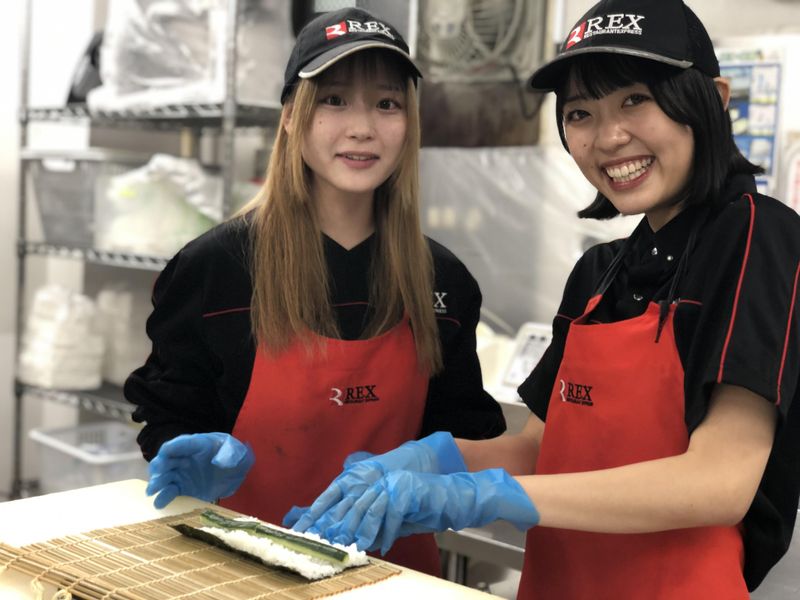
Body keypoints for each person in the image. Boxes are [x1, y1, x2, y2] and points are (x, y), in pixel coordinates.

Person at [289, 0, 800, 596]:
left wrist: (480, 494)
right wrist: (434, 460)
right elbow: (536, 447)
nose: (609, 137)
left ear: (711, 98)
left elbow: (720, 481)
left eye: (636, 99)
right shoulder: (599, 275)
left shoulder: (757, 237)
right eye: (581, 113)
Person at [123, 7, 506, 577]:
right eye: (333, 100)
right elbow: (168, 414)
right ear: (289, 117)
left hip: (390, 577)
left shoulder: (441, 280)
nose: (362, 128)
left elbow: (466, 436)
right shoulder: (216, 269)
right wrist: (187, 453)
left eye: (386, 103)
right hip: (239, 571)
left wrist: (431, 482)